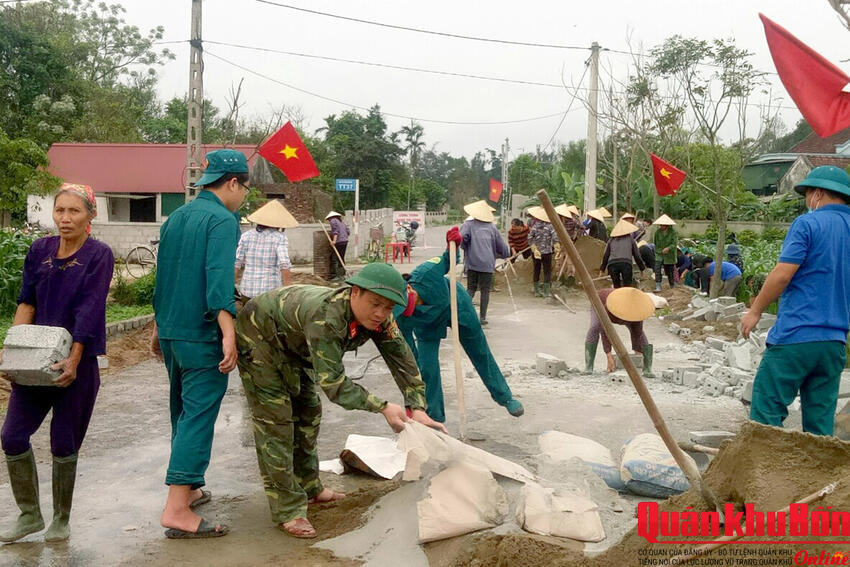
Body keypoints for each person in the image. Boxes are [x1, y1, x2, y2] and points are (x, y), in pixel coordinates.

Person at [235, 263, 445, 538]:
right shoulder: (327, 318)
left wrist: (416, 407)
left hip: (295, 343)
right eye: (375, 304)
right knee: (277, 423)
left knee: (309, 411)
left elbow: (403, 360)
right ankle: (288, 509)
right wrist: (382, 407)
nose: (381, 313)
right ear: (355, 292)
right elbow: (334, 385)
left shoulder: (381, 318)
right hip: (259, 337)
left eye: (389, 307)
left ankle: (310, 488)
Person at [0, 184, 113, 543]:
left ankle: (61, 519)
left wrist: (75, 358)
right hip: (34, 360)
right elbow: (26, 301)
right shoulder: (39, 250)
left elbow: (90, 309)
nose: (65, 218)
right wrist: (12, 351)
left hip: (75, 366)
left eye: (74, 212)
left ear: (89, 216)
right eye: (60, 210)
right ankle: (30, 514)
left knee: (64, 443)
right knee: (12, 436)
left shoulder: (99, 255)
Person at [151, 149, 249, 539]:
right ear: (232, 183)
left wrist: (158, 327)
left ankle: (188, 489)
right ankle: (176, 509)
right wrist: (229, 331)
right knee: (198, 415)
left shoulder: (177, 217)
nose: (244, 197)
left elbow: (164, 276)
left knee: (181, 410)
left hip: (173, 330)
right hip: (202, 332)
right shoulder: (223, 221)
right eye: (244, 188)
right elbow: (217, 281)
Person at [741, 166, 850, 436]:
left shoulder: (808, 223)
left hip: (797, 336)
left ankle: (765, 475)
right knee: (820, 425)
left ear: (818, 194)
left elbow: (783, 274)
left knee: (766, 409)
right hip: (834, 343)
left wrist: (755, 310)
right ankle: (817, 477)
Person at [395, 229, 524, 422]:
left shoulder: (426, 273)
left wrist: (452, 243)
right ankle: (434, 417)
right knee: (426, 366)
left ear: (409, 289)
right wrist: (414, 395)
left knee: (479, 351)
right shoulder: (400, 315)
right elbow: (409, 354)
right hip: (428, 326)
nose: (409, 308)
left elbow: (449, 259)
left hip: (456, 305)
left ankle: (505, 397)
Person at [584, 287, 655, 376]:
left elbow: (637, 333)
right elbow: (605, 330)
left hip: (621, 309)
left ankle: (647, 367)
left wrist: (639, 356)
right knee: (594, 327)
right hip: (599, 303)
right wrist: (609, 355)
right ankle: (588, 366)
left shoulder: (637, 310)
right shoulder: (610, 306)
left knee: (640, 333)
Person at [459, 200, 510, 325]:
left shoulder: (468, 225)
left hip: (473, 262)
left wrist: (466, 247)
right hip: (487, 264)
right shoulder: (492, 228)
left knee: (471, 288)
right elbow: (503, 248)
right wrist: (504, 255)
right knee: (485, 290)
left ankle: (461, 313)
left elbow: (461, 239)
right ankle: (482, 317)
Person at [235, 200, 298, 299]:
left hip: (247, 290)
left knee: (248, 314)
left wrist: (231, 287)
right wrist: (288, 288)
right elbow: (284, 263)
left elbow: (237, 262)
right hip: (268, 293)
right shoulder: (279, 238)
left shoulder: (246, 236)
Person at [600, 219, 645, 288]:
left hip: (612, 264)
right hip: (626, 264)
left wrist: (602, 269)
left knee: (616, 287)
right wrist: (642, 269)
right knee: (627, 286)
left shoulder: (611, 240)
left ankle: (617, 297)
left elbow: (606, 255)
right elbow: (637, 255)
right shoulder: (630, 239)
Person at [527, 206, 558, 298]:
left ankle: (536, 291)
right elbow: (555, 238)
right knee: (547, 271)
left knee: (536, 270)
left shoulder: (535, 226)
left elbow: (529, 238)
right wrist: (556, 247)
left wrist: (534, 247)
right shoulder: (550, 227)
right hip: (547, 252)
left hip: (536, 252)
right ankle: (546, 292)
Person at [652, 214, 678, 291]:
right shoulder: (657, 233)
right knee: (657, 268)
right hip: (659, 253)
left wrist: (668, 248)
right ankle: (658, 285)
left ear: (667, 225)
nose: (661, 226)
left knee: (669, 271)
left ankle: (672, 285)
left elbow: (674, 244)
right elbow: (655, 243)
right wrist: (660, 250)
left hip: (669, 255)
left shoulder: (673, 233)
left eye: (663, 225)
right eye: (660, 225)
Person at [326, 211, 349, 280]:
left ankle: (335, 276)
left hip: (339, 242)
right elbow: (348, 232)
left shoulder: (333, 221)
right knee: (341, 258)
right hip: (345, 241)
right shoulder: (342, 222)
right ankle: (342, 275)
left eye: (328, 219)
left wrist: (334, 241)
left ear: (330, 217)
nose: (329, 221)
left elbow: (335, 231)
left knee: (333, 258)